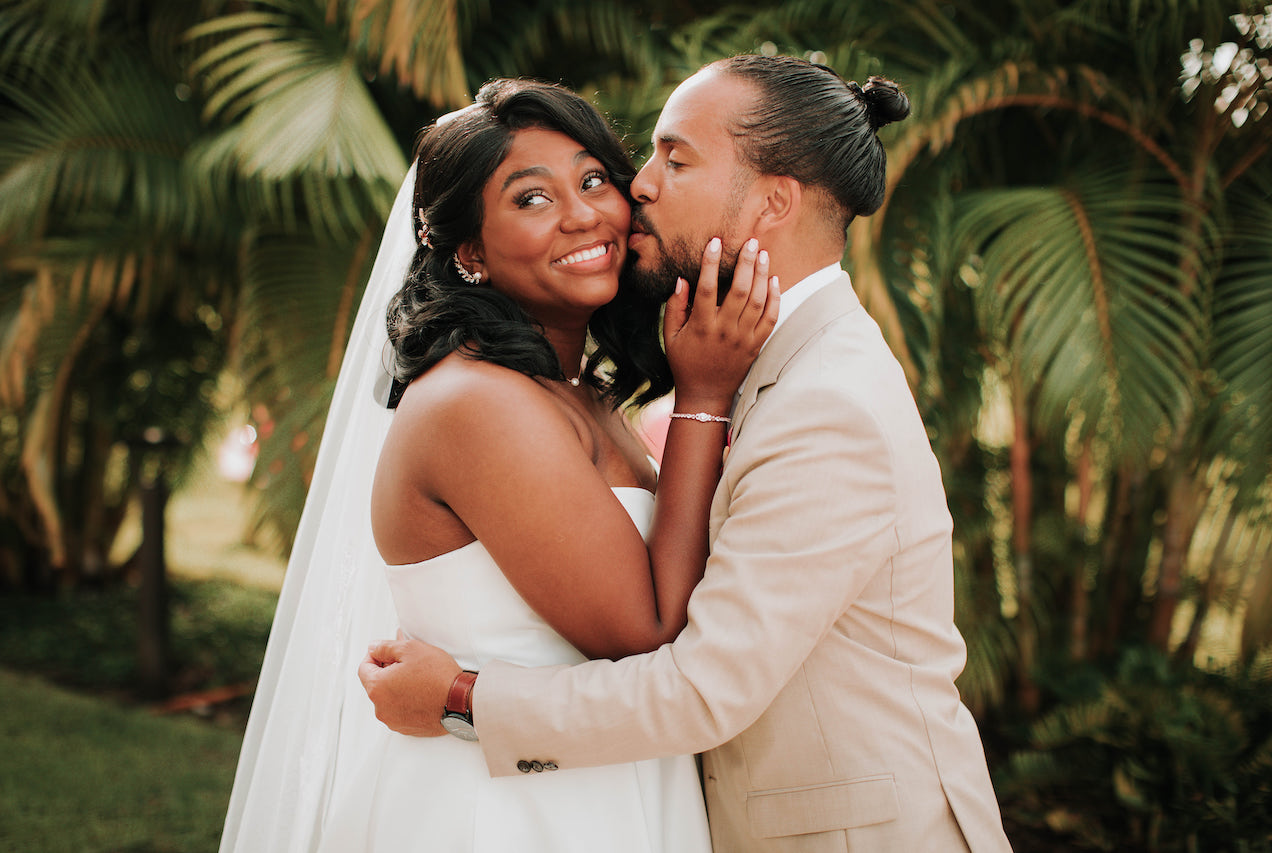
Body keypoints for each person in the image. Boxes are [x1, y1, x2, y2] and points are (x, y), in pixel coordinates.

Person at [360, 55, 1015, 852]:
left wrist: (461, 697)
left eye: (675, 159)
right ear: (467, 246)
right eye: (534, 196)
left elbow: (701, 681)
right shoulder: (744, 365)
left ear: (774, 200)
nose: (635, 186)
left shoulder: (823, 400)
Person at [221, 78, 777, 852]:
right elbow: (647, 634)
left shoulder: (577, 393)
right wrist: (705, 395)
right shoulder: (477, 404)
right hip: (502, 813)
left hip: (596, 779)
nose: (583, 214)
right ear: (470, 252)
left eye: (592, 180)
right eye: (531, 199)